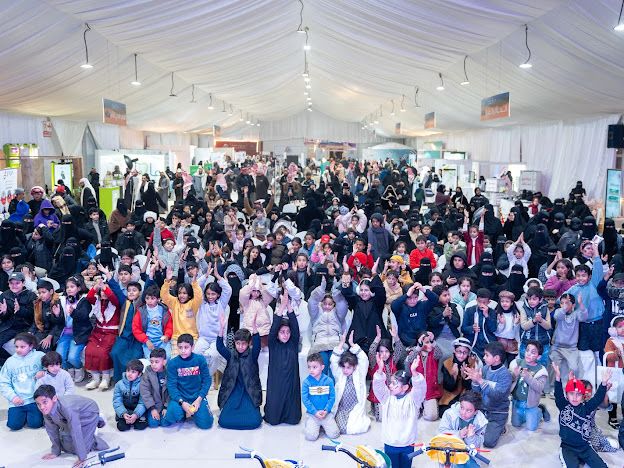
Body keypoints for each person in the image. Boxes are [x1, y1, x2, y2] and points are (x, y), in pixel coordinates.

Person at [373, 350, 426, 468]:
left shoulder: (413, 400)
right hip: (390, 444)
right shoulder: (386, 398)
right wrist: (380, 370)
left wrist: (414, 372)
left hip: (408, 444)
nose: (390, 385)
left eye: (394, 383)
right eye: (390, 382)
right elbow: (378, 386)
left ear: (405, 387)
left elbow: (420, 388)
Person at [553, 362, 611, 468]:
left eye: (578, 394)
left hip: (585, 447)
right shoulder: (563, 405)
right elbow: (558, 394)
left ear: (583, 396)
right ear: (567, 395)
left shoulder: (586, 408)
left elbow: (597, 398)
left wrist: (603, 384)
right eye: (571, 394)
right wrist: (557, 378)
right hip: (568, 448)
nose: (575, 397)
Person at [34, 384, 108, 466]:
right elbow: (51, 430)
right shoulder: (46, 409)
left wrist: (82, 458)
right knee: (67, 447)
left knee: (82, 449)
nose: (42, 407)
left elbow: (75, 431)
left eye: (45, 402)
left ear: (54, 398)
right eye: (38, 404)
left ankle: (97, 420)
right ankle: (90, 428)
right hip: (73, 415)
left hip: (89, 413)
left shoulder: (67, 408)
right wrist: (55, 452)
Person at [216, 314, 263, 429]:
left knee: (255, 422)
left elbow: (257, 345)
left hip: (249, 392)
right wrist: (221, 329)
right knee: (224, 421)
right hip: (233, 391)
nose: (240, 346)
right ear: (235, 343)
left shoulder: (252, 355)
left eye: (243, 343)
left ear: (248, 343)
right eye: (238, 343)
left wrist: (254, 327)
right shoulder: (231, 354)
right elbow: (220, 347)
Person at [464, 341, 512, 448]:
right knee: (465, 431)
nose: (484, 357)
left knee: (488, 442)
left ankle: (501, 426)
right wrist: (475, 382)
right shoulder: (485, 368)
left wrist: (480, 381)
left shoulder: (505, 375)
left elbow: (497, 396)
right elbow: (477, 393)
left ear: (496, 358)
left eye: (487, 355)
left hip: (497, 413)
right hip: (483, 410)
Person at [264, 291, 301, 426]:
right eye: (282, 332)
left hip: (291, 384)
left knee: (293, 420)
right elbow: (274, 327)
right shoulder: (273, 344)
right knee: (273, 420)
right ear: (277, 334)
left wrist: (289, 305)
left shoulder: (293, 343)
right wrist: (282, 306)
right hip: (277, 385)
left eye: (288, 332)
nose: (285, 335)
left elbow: (295, 326)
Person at [163, 333, 213, 429]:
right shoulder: (173, 363)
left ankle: (195, 413)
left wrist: (199, 400)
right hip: (181, 398)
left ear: (192, 347)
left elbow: (207, 381)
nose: (183, 350)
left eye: (186, 347)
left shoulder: (200, 360)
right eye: (180, 347)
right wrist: (182, 402)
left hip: (197, 397)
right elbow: (171, 386)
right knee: (169, 419)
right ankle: (182, 413)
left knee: (206, 424)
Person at [0, 332, 45, 430]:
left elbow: (53, 368)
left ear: (31, 346)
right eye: (16, 347)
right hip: (17, 401)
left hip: (34, 400)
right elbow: (3, 383)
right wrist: (13, 397)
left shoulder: (39, 356)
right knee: (14, 426)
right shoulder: (10, 362)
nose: (18, 350)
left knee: (35, 424)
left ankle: (30, 415)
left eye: (22, 347)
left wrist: (44, 372)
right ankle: (22, 415)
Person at [330, 331, 370, 435]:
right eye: (343, 367)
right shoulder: (339, 374)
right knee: (340, 429)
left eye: (348, 367)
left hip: (355, 407)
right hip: (342, 408)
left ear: (354, 367)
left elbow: (364, 359)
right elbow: (333, 361)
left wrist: (352, 344)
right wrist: (341, 344)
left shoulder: (359, 374)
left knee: (355, 428)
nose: (345, 370)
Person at [84, 277, 119, 390]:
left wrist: (104, 286)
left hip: (111, 333)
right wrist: (96, 286)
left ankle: (106, 378)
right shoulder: (97, 301)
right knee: (89, 350)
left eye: (105, 290)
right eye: (102, 291)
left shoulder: (115, 302)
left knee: (103, 353)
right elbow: (89, 297)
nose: (103, 292)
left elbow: (112, 297)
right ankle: (95, 379)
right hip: (98, 332)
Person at [438, 391, 489, 468]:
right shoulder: (449, 414)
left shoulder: (481, 422)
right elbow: (441, 433)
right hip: (450, 453)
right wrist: (458, 434)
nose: (463, 413)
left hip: (469, 455)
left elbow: (478, 445)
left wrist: (471, 437)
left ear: (476, 411)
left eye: (468, 410)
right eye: (462, 407)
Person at [56, 275, 92, 383]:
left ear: (79, 288)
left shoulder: (84, 300)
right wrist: (57, 315)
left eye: (72, 287)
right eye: (67, 287)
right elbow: (58, 321)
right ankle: (70, 370)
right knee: (60, 356)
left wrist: (74, 312)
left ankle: (79, 368)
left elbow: (84, 316)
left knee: (72, 357)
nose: (69, 289)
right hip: (65, 333)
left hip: (79, 334)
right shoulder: (62, 300)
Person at [367, 325, 405, 421]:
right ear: (378, 352)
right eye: (381, 351)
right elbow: (371, 352)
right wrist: (377, 338)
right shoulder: (374, 361)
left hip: (392, 393)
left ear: (390, 352)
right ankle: (374, 407)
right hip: (379, 395)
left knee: (396, 415)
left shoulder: (393, 360)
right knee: (381, 418)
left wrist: (396, 337)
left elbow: (399, 349)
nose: (384, 354)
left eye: (387, 351)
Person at [509, 340, 548, 431]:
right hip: (516, 401)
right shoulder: (516, 363)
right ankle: (525, 415)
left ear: (538, 357)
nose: (528, 354)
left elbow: (539, 388)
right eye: (527, 350)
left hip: (531, 404)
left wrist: (527, 377)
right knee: (516, 424)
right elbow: (507, 380)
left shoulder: (541, 370)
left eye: (533, 352)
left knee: (531, 428)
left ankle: (540, 410)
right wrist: (514, 375)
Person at [302, 352, 340, 441]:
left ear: (322, 367)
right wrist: (315, 412)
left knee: (334, 434)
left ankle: (322, 425)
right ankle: (312, 424)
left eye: (314, 367)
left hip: (326, 413)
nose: (311, 370)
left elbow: (332, 397)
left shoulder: (329, 381)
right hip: (312, 414)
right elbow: (305, 399)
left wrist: (326, 410)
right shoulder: (306, 382)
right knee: (311, 437)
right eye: (309, 367)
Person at [405, 330, 443, 421]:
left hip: (430, 392)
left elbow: (440, 354)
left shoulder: (433, 353)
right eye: (426, 342)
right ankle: (420, 406)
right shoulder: (414, 352)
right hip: (416, 392)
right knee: (412, 416)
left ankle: (424, 406)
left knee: (432, 416)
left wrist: (433, 341)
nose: (430, 344)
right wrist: (419, 347)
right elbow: (409, 360)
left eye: (430, 342)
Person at [132, 284, 173, 359]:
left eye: (152, 298)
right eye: (147, 298)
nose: (149, 301)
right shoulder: (141, 311)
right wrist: (146, 340)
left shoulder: (164, 310)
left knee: (167, 357)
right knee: (150, 359)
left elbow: (169, 326)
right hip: (148, 341)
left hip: (162, 341)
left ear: (158, 299)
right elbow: (136, 329)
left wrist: (167, 335)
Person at [112, 359, 148, 431]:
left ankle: (136, 418)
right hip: (125, 409)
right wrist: (123, 413)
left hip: (137, 409)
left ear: (139, 374)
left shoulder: (143, 384)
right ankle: (125, 417)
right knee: (122, 427)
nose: (129, 374)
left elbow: (143, 402)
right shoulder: (119, 384)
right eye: (128, 371)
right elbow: (117, 401)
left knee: (140, 426)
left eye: (133, 372)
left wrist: (136, 414)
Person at [140, 347, 169, 428]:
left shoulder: (169, 371)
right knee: (153, 424)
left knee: (165, 423)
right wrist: (152, 408)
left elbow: (171, 391)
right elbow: (145, 391)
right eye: (151, 362)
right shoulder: (148, 371)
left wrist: (166, 407)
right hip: (154, 404)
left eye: (157, 362)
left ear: (164, 362)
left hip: (166, 404)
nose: (153, 364)